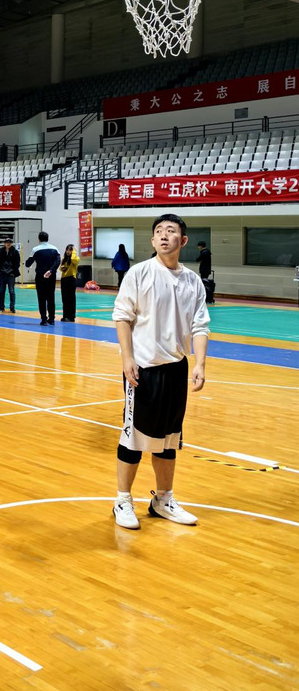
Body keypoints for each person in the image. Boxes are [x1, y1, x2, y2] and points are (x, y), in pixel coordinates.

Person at [111, 213, 209, 531]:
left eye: (171, 231)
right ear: (153, 240)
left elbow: (200, 325)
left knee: (169, 439)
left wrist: (200, 363)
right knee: (134, 437)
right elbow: (122, 316)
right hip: (143, 369)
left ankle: (163, 499)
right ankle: (122, 500)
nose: (164, 235)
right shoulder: (139, 273)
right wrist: (127, 358)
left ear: (183, 240)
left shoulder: (192, 281)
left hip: (176, 369)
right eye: (159, 231)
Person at [25, 231, 60, 326]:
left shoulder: (35, 249)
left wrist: (28, 262)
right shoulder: (55, 249)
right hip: (51, 276)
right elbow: (58, 262)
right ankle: (52, 319)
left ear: (39, 239)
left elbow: (28, 264)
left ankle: (44, 319)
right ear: (48, 239)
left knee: (41, 298)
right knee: (51, 297)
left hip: (40, 276)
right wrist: (51, 271)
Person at [0, 238, 20, 313]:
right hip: (2, 274)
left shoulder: (15, 252)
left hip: (11, 274)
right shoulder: (1, 251)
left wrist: (12, 272)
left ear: (11, 243)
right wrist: (0, 271)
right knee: (2, 291)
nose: (8, 244)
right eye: (7, 242)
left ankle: (12, 307)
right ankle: (1, 307)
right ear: (4, 243)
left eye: (10, 242)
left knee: (11, 291)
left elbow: (17, 263)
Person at [59, 243, 79, 322]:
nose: (68, 251)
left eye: (70, 250)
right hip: (64, 279)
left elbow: (73, 260)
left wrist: (73, 252)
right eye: (67, 249)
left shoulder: (76, 258)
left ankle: (71, 316)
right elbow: (60, 268)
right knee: (64, 298)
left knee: (71, 298)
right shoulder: (64, 259)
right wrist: (62, 268)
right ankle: (65, 316)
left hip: (71, 279)